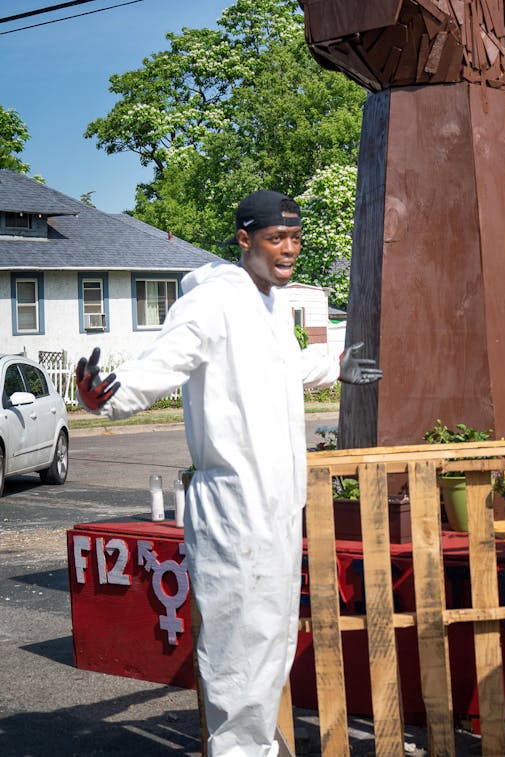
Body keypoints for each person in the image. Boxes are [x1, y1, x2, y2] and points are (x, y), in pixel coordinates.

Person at [73, 189, 382, 757]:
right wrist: (108, 397)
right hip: (235, 505)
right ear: (245, 240)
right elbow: (163, 363)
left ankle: (257, 745)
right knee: (239, 641)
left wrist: (333, 366)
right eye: (274, 239)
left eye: (294, 238)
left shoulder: (272, 305)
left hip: (279, 504)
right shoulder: (212, 303)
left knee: (271, 639)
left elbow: (284, 366)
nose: (288, 250)